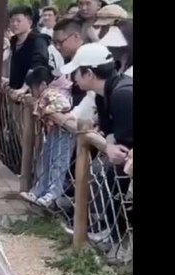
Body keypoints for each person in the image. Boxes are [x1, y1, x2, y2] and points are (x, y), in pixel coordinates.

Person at [61, 43, 133, 242]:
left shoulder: (123, 95)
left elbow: (123, 142)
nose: (74, 78)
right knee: (104, 170)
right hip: (125, 153)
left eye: (77, 72)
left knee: (108, 172)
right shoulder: (104, 95)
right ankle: (105, 227)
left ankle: (113, 233)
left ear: (89, 74)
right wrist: (109, 146)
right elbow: (110, 133)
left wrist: (113, 147)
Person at [19, 66, 77, 208]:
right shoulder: (46, 95)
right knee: (46, 160)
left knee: (58, 163)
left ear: (43, 85)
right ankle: (39, 191)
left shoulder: (52, 93)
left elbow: (64, 105)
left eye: (33, 88)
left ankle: (52, 195)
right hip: (55, 131)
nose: (32, 92)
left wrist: (46, 110)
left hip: (64, 133)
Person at [6, 5, 50, 97]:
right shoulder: (13, 41)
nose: (14, 24)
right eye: (12, 21)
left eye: (18, 21)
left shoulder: (38, 40)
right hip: (14, 90)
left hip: (32, 92)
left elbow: (38, 65)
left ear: (30, 22)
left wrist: (25, 87)